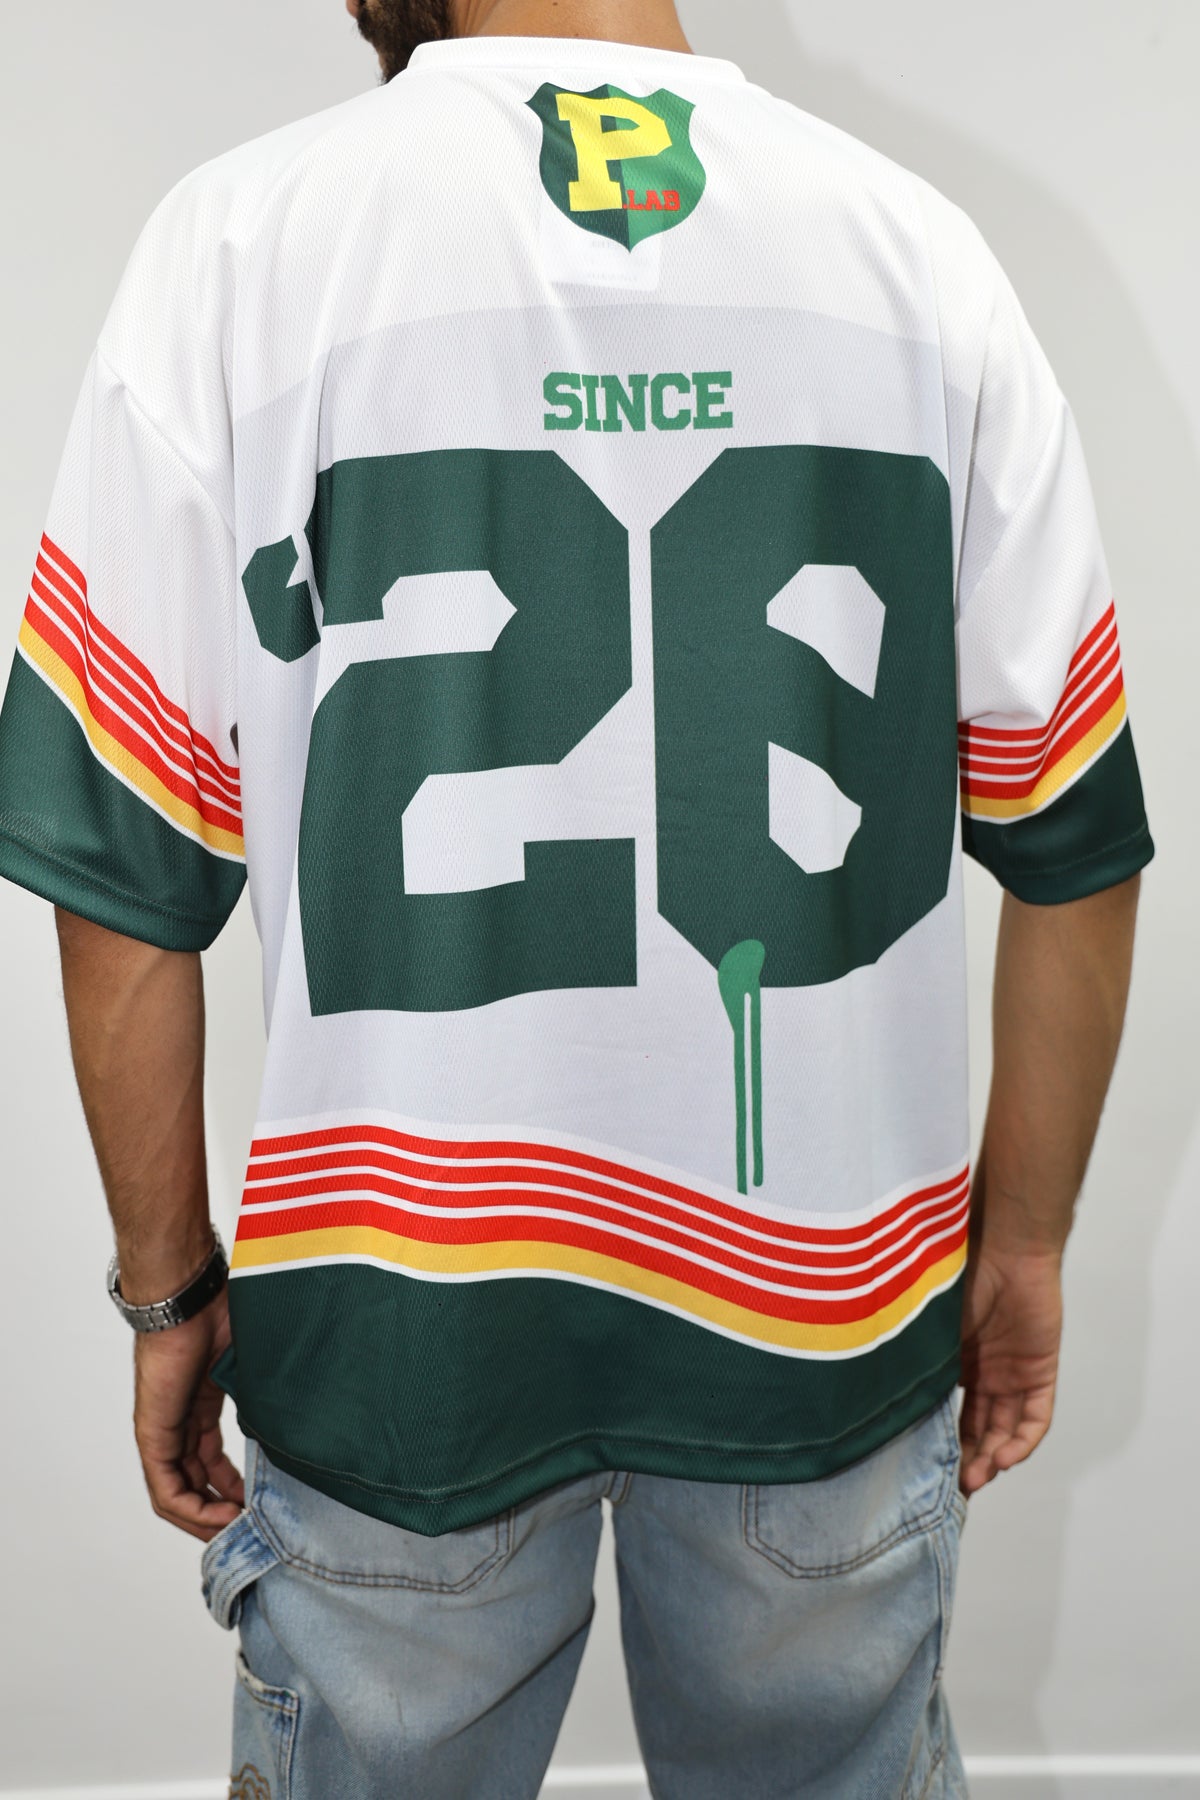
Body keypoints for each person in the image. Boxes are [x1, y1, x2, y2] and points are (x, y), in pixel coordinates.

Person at [0, 0, 1152, 1793]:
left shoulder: (243, 243)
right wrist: (1024, 1245)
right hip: (823, 1314)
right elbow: (1071, 835)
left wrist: (168, 1295)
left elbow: (122, 870)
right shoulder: (915, 253)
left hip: (402, 1318)